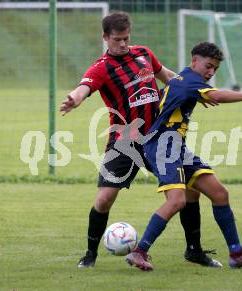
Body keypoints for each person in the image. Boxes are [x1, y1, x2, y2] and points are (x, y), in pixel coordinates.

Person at [60, 11, 221, 268]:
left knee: (191, 188)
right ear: (105, 38)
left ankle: (194, 250)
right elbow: (84, 88)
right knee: (104, 199)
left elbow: (168, 75)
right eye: (117, 39)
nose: (123, 44)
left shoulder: (143, 53)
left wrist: (197, 92)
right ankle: (90, 254)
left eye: (126, 38)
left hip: (159, 137)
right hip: (124, 142)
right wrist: (74, 99)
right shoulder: (101, 68)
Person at [125, 42, 242, 271]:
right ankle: (139, 251)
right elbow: (218, 95)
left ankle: (237, 254)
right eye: (208, 66)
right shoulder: (190, 81)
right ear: (194, 60)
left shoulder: (184, 81)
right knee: (177, 200)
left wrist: (200, 96)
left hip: (177, 147)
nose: (211, 72)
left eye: (215, 68)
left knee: (219, 193)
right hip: (162, 146)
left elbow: (189, 94)